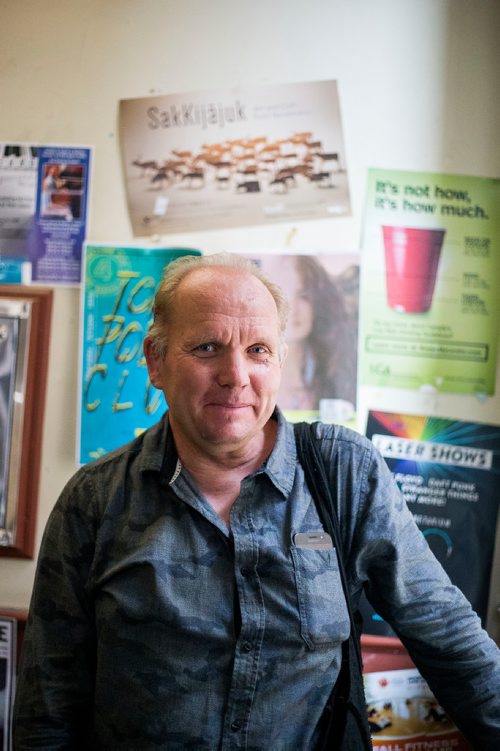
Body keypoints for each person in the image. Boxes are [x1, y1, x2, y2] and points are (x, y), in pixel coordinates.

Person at [13, 253, 499, 750]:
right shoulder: (94, 500)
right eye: (206, 347)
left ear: (280, 362)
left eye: (258, 350)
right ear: (155, 361)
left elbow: (448, 637)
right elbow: (48, 708)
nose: (235, 374)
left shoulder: (342, 472)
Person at [256, 254, 357, 412]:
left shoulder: (333, 369)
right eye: (284, 298)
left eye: (304, 297)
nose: (294, 310)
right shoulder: (251, 372)